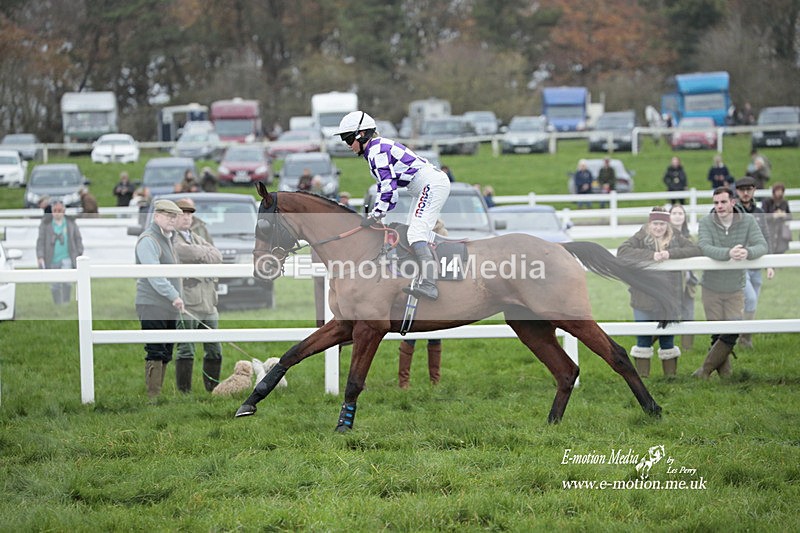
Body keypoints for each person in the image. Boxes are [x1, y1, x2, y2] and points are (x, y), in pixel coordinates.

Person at [335, 110, 451, 300]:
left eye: (348, 140)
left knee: (415, 234)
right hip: (426, 185)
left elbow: (389, 189)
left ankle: (430, 284)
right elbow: (389, 193)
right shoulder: (375, 149)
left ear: (361, 134)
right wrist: (377, 213)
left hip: (431, 184)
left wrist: (375, 215)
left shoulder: (377, 150)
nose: (347, 145)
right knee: (409, 232)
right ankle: (420, 275)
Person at [693, 187, 768, 379]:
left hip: (736, 286)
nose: (719, 206)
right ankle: (726, 378)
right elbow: (704, 246)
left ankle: (704, 371)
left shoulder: (748, 221)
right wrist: (728, 253)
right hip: (711, 286)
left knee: (731, 332)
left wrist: (748, 252)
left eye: (723, 202)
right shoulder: (706, 222)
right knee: (717, 333)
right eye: (716, 202)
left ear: (732, 202)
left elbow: (762, 245)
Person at [617, 207, 701, 377]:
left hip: (668, 298)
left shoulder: (676, 236)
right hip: (643, 296)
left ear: (667, 224)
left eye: (662, 224)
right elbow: (622, 251)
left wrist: (670, 254)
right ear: (650, 223)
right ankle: (643, 379)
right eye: (655, 223)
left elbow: (695, 249)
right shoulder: (641, 236)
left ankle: (670, 378)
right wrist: (651, 255)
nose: (658, 227)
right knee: (643, 338)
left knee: (667, 338)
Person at [135, 199, 185, 399]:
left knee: (166, 350)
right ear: (156, 216)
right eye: (168, 216)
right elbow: (154, 275)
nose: (172, 220)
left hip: (168, 304)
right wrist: (174, 295)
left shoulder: (167, 238)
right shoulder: (148, 240)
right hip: (152, 303)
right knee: (155, 350)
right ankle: (152, 397)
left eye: (174, 216)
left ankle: (158, 394)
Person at [172, 198, 224, 393]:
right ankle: (184, 392)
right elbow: (183, 252)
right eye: (182, 213)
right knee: (186, 348)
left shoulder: (195, 236)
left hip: (209, 302)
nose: (186, 217)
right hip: (188, 302)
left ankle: (212, 388)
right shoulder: (172, 238)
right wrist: (205, 253)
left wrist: (201, 252)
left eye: (189, 213)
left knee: (214, 348)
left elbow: (217, 255)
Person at [397, 220, 448, 387]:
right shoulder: (416, 247)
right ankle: (409, 382)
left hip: (431, 296)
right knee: (415, 337)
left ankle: (431, 381)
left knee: (433, 338)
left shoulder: (436, 244)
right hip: (417, 296)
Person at [734, 176, 773, 349]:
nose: (746, 192)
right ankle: (743, 334)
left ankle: (744, 335)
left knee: (753, 300)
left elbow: (766, 236)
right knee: (749, 298)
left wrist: (769, 263)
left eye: (749, 189)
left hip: (756, 263)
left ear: (754, 190)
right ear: (737, 192)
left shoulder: (759, 212)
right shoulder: (734, 212)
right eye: (742, 190)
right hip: (739, 264)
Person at [36, 200, 84, 305]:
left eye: (60, 210)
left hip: (67, 256)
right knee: (54, 283)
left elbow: (78, 239)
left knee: (67, 281)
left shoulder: (70, 223)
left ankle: (66, 302)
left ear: (64, 210)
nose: (57, 212)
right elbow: (40, 241)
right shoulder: (45, 224)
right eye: (55, 210)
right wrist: (40, 256)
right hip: (52, 258)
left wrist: (79, 252)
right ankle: (57, 304)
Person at [669, 203, 699, 351]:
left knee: (689, 315)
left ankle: (687, 349)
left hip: (688, 283)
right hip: (671, 284)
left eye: (680, 213)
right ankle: (656, 342)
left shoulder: (689, 237)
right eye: (674, 213)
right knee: (670, 316)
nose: (677, 216)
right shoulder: (665, 237)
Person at [761, 182, 792, 255]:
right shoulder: (767, 202)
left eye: (781, 191)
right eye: (777, 191)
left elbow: (790, 216)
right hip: (770, 230)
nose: (779, 193)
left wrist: (784, 215)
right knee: (769, 249)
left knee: (781, 251)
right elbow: (762, 216)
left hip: (781, 232)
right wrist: (773, 215)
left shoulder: (784, 202)